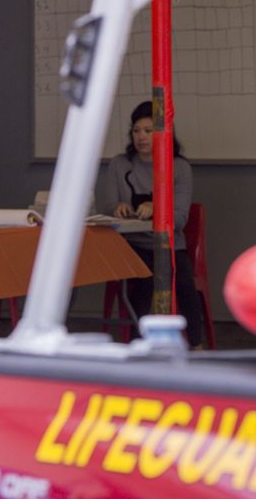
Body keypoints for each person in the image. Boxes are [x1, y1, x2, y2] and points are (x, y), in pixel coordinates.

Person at [99, 101, 203, 347]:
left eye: (148, 130)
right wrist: (117, 209)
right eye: (136, 131)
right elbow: (105, 209)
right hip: (130, 244)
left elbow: (179, 219)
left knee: (183, 282)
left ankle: (196, 344)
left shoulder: (179, 167)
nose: (141, 137)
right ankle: (137, 344)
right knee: (144, 280)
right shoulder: (119, 164)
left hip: (168, 245)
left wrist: (158, 208)